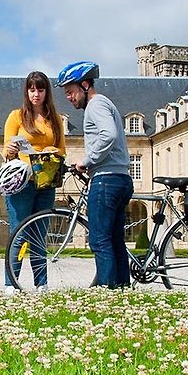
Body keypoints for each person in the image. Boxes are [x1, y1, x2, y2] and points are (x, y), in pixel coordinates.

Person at [56, 60, 132, 288]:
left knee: (99, 239)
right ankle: (122, 289)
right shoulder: (104, 104)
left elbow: (107, 135)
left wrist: (87, 161)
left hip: (106, 179)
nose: (69, 98)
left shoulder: (96, 105)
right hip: (120, 178)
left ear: (86, 84)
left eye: (71, 92)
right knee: (115, 240)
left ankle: (107, 292)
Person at [2, 71, 67, 292]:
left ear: (46, 91)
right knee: (18, 233)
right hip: (22, 182)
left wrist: (53, 150)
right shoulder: (17, 116)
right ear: (26, 92)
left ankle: (42, 285)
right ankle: (11, 285)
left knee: (39, 236)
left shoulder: (55, 119)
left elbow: (63, 151)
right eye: (32, 89)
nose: (36, 94)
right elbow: (6, 151)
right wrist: (10, 150)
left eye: (40, 89)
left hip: (46, 183)